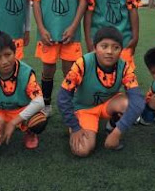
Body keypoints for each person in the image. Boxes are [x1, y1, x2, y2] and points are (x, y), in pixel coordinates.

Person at [28, 0, 92, 117]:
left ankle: (70, 104)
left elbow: (83, 0)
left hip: (70, 33)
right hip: (47, 32)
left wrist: (73, 27)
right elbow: (36, 2)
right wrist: (41, 27)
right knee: (47, 71)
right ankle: (46, 104)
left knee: (69, 71)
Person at [57, 26, 144, 157]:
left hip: (108, 105)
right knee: (82, 150)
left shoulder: (125, 67)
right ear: (95, 47)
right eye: (104, 46)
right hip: (85, 108)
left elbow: (138, 102)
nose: (110, 51)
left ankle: (112, 127)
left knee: (128, 103)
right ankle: (80, 123)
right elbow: (63, 97)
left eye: (115, 47)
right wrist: (75, 127)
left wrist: (118, 133)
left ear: (121, 50)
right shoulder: (83, 63)